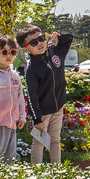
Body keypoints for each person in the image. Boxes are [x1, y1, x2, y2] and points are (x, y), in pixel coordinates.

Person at [18, 25, 73, 164]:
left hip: (58, 107)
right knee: (39, 142)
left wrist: (57, 35)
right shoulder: (31, 69)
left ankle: (57, 168)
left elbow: (69, 39)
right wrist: (37, 118)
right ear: (25, 49)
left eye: (41, 38)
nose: (40, 44)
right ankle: (37, 172)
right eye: (33, 43)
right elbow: (31, 96)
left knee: (55, 140)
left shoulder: (55, 51)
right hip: (43, 113)